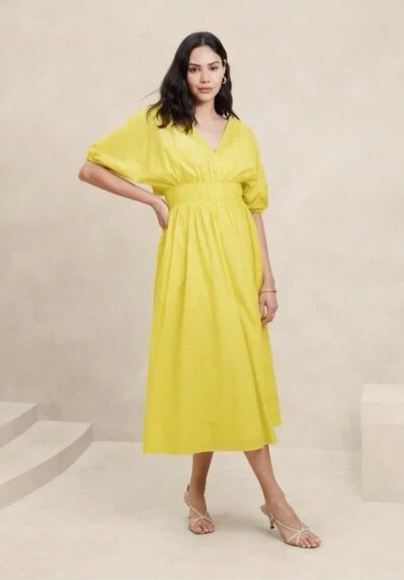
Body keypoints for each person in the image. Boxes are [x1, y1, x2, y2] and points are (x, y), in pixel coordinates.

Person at [78, 31, 321, 549]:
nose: (205, 77)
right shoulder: (160, 123)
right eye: (195, 68)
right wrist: (153, 200)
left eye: (213, 66)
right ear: (182, 73)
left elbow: (254, 210)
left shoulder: (242, 133)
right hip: (188, 261)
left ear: (225, 71)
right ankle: (272, 499)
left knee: (237, 371)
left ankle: (207, 493)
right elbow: (91, 167)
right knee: (204, 368)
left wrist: (268, 280)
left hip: (238, 261)